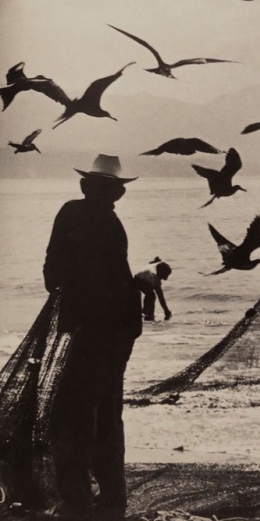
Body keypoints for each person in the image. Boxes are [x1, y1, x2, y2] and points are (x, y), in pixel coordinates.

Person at [42, 154, 142, 521]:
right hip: (120, 328)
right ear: (116, 192)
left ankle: (78, 503)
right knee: (108, 412)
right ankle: (113, 501)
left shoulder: (73, 213)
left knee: (74, 413)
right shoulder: (112, 223)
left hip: (95, 329)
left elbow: (54, 273)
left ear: (87, 186)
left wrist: (70, 305)